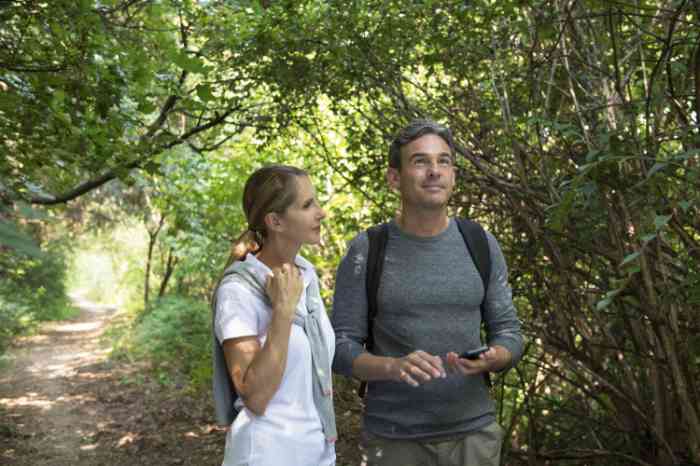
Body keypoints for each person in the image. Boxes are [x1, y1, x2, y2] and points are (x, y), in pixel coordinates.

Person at [331, 119, 524, 466]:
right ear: (395, 178)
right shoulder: (368, 249)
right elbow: (340, 349)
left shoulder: (479, 242)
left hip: (474, 436)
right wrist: (392, 367)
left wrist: (497, 357)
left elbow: (509, 332)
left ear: (453, 176)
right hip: (392, 441)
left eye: (443, 161)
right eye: (420, 161)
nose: (434, 171)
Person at [212, 164, 337, 466]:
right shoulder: (238, 290)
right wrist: (281, 312)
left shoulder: (307, 275)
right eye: (307, 205)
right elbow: (255, 396)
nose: (320, 213)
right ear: (275, 221)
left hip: (317, 452)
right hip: (265, 454)